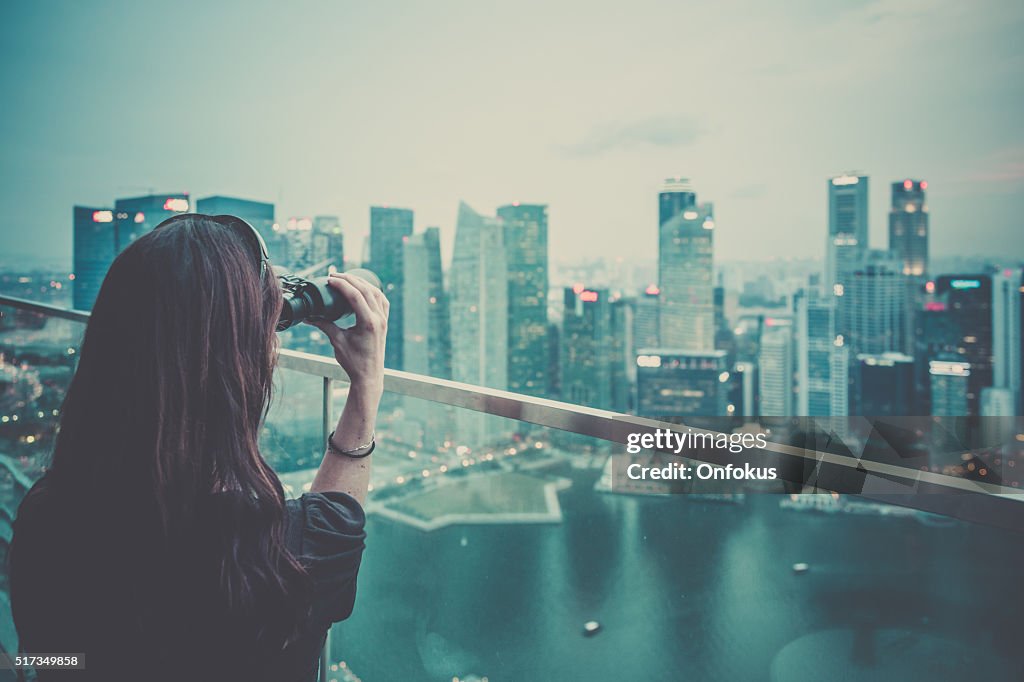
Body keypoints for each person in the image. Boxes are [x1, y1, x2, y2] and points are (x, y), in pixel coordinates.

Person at [9, 214, 388, 682]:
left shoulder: (48, 517)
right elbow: (336, 521)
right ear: (239, 368)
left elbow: (49, 659)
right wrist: (366, 388)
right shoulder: (281, 558)